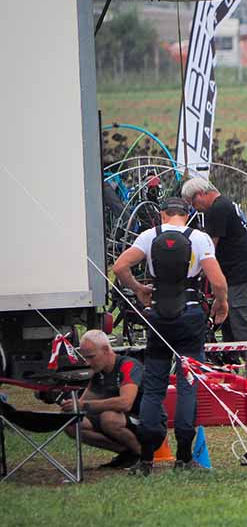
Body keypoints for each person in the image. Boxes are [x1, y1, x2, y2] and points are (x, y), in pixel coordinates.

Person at [112, 196, 228, 474]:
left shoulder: (149, 236)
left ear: (162, 214)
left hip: (158, 317)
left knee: (153, 388)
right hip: (189, 317)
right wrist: (221, 303)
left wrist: (139, 288)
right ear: (186, 215)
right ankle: (184, 457)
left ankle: (147, 459)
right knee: (189, 385)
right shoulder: (199, 239)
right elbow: (218, 281)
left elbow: (119, 267)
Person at [182, 178, 247, 346]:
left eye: (192, 202)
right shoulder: (227, 203)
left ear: (201, 194)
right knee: (227, 321)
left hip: (239, 273)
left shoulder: (217, 209)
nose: (194, 208)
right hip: (242, 270)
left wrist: (196, 268)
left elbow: (209, 247)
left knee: (241, 322)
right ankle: (231, 363)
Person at [60, 330, 144, 469]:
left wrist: (84, 405)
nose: (87, 362)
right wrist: (71, 405)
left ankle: (143, 456)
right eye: (85, 357)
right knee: (71, 423)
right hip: (121, 421)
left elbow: (125, 403)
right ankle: (126, 454)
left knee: (109, 418)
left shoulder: (128, 365)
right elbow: (82, 404)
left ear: (105, 350)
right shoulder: (99, 373)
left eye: (91, 357)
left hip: (148, 423)